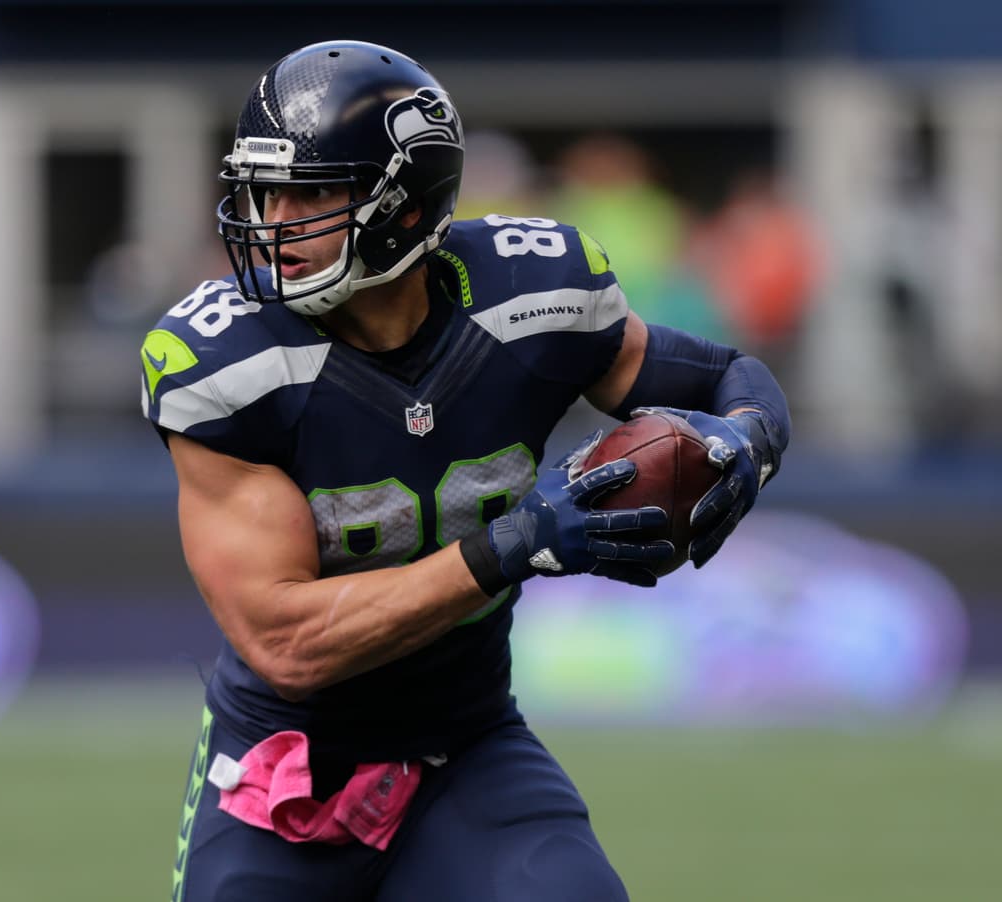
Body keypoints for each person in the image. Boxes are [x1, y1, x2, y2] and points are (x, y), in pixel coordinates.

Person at [141, 40, 789, 902]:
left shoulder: (534, 296)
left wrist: (747, 441)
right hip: (282, 771)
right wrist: (514, 544)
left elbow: (722, 375)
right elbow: (289, 643)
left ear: (403, 204)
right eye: (266, 188)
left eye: (312, 190)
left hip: (466, 749)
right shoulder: (224, 366)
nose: (275, 219)